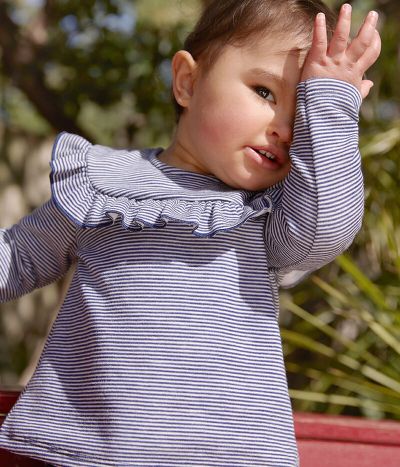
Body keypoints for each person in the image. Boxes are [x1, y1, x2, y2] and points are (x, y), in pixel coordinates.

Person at [0, 0, 381, 465]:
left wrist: (331, 113)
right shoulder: (103, 186)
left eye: (302, 115)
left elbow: (330, 231)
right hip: (97, 452)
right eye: (264, 92)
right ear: (188, 81)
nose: (284, 128)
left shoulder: (272, 216)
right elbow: (15, 259)